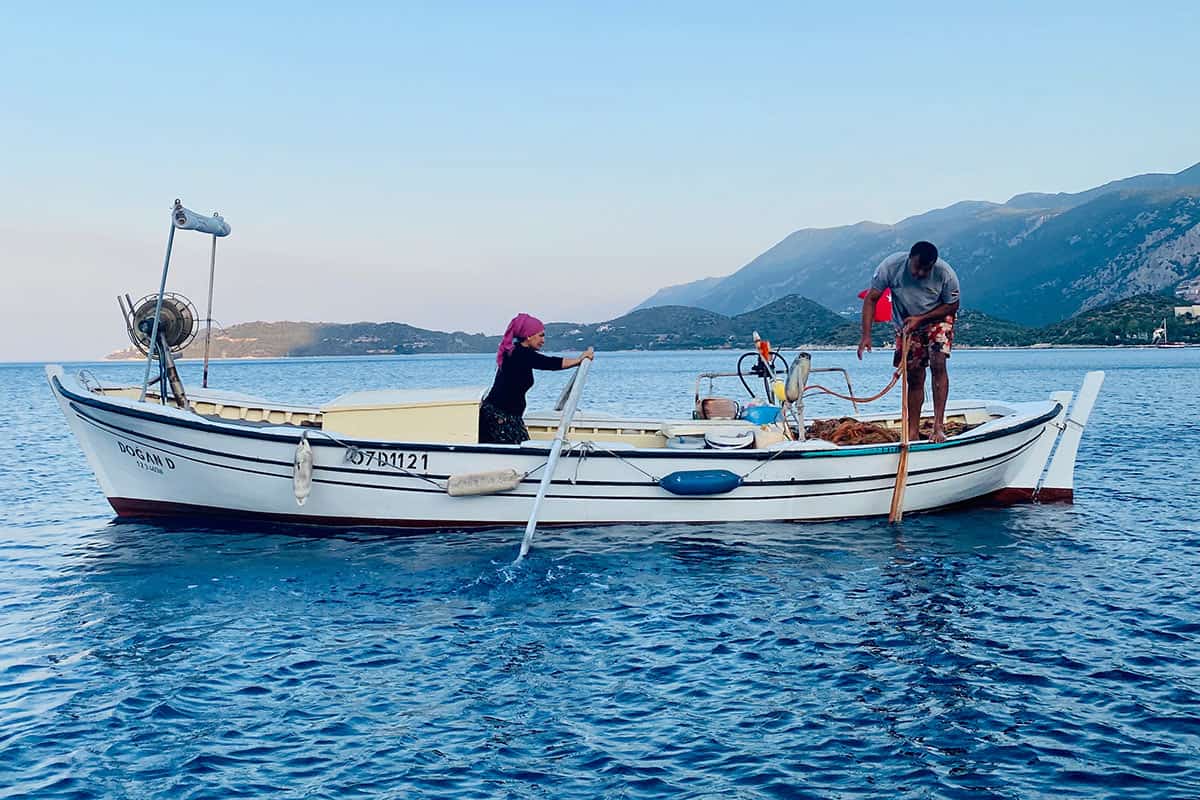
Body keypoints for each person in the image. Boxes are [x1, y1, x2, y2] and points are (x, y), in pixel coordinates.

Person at [857, 241, 960, 443]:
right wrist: (866, 335)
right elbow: (871, 299)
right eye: (917, 267)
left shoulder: (945, 274)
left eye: (926, 269)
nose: (921, 273)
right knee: (914, 377)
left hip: (937, 318)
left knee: (938, 362)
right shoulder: (890, 267)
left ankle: (938, 427)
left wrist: (922, 319)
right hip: (905, 322)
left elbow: (953, 305)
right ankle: (912, 431)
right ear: (909, 258)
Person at [478, 313, 594, 444]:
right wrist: (579, 360)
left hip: (505, 416)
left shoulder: (517, 352)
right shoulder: (519, 353)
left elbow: (546, 362)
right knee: (520, 454)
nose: (543, 340)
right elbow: (548, 363)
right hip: (499, 417)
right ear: (528, 336)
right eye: (541, 335)